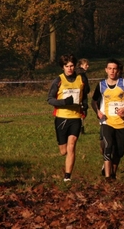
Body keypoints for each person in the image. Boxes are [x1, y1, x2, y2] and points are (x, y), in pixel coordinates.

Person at [47, 54, 89, 182]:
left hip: (75, 117)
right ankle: (66, 167)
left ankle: (67, 176)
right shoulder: (58, 80)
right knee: (63, 151)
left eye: (71, 66)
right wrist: (64, 102)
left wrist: (85, 105)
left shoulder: (81, 79)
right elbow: (50, 99)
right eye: (67, 66)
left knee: (72, 146)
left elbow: (85, 94)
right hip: (61, 118)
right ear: (62, 67)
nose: (70, 68)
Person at [91, 58, 124, 181]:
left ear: (118, 70)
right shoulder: (101, 85)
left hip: (121, 122)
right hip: (107, 121)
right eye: (110, 69)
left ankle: (112, 172)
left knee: (120, 151)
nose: (112, 71)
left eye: (114, 69)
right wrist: (98, 111)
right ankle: (108, 177)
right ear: (106, 70)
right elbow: (94, 101)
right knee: (108, 145)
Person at [75, 58, 90, 134]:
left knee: (83, 112)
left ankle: (80, 128)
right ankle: (80, 129)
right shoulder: (80, 74)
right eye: (86, 65)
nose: (88, 66)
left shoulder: (82, 73)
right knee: (82, 112)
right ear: (81, 65)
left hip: (83, 95)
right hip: (81, 96)